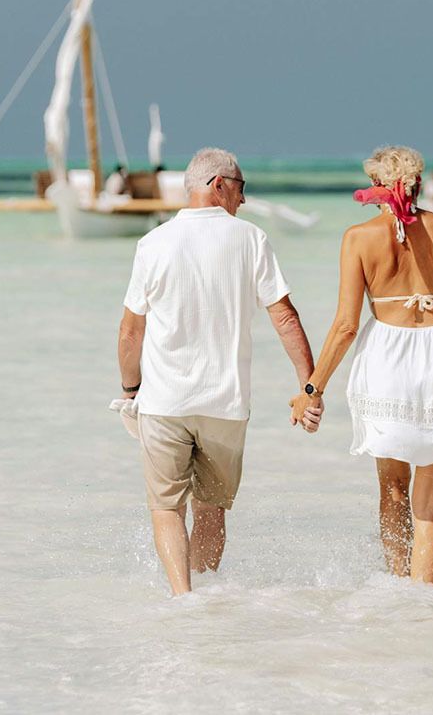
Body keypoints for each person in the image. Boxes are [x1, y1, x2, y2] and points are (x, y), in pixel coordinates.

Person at [290, 146, 433, 586]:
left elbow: (345, 326)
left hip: (387, 363)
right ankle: (426, 611)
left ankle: (398, 596)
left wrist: (311, 390)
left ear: (377, 187)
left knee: (393, 490)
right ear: (417, 184)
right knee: (431, 510)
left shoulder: (358, 239)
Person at [119, 148, 323, 596]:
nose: (243, 201)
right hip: (224, 407)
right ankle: (205, 599)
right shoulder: (251, 239)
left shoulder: (153, 244)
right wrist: (310, 386)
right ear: (219, 185)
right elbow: (285, 317)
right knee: (211, 510)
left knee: (166, 509)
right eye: (241, 189)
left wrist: (131, 389)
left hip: (164, 403)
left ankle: (183, 600)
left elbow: (131, 331)